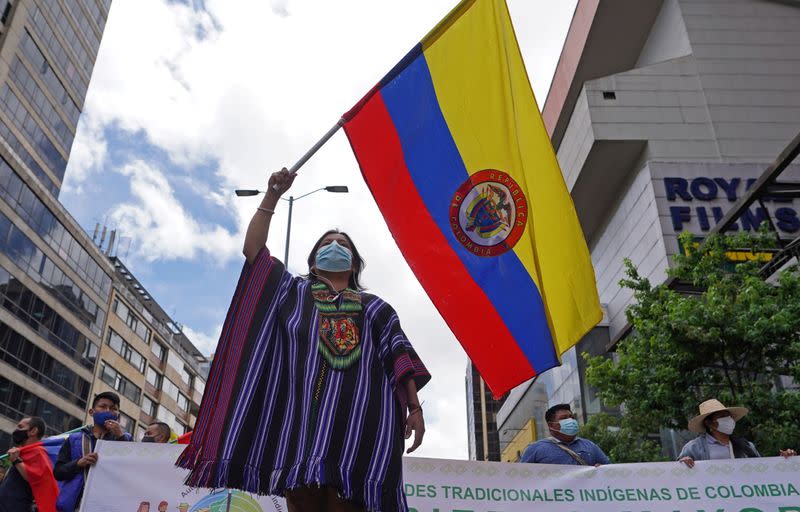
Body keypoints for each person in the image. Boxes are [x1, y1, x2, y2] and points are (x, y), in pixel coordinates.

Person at [176, 168, 430, 512]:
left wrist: (414, 408)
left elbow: (399, 358)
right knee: (302, 500)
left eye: (343, 245)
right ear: (313, 262)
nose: (335, 247)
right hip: (301, 422)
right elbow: (253, 250)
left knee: (349, 501)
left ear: (354, 264)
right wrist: (272, 195)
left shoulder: (376, 308)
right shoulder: (292, 292)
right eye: (327, 245)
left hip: (363, 421)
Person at [54, 391, 133, 512]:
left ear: (117, 415)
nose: (108, 411)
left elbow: (131, 470)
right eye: (103, 406)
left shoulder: (125, 439)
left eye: (113, 408)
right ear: (92, 412)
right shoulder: (75, 439)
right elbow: (58, 473)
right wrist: (78, 463)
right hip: (74, 505)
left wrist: (120, 437)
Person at [678, 398, 796, 467]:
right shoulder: (693, 448)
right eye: (723, 416)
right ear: (709, 423)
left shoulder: (747, 446)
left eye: (729, 416)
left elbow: (764, 469)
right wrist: (683, 464)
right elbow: (677, 475)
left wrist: (784, 460)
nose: (728, 419)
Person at [520, 404, 610, 466]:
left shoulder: (590, 446)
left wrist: (602, 470)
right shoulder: (535, 449)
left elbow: (610, 469)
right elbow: (521, 478)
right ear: (551, 425)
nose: (570, 420)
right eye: (564, 418)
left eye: (572, 417)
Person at [0, 416, 58, 512]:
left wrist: (16, 460)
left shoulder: (38, 452)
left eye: (20, 427)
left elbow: (34, 477)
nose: (16, 430)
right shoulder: (23, 452)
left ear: (33, 431)